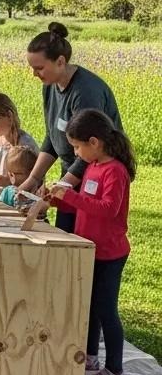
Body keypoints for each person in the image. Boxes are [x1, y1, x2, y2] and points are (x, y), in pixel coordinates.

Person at [46, 109, 134, 375]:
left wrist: (71, 195)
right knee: (91, 307)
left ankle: (115, 371)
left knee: (107, 309)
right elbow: (85, 202)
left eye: (77, 147)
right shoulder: (93, 167)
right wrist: (59, 200)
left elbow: (108, 210)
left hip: (110, 253)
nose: (76, 152)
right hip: (89, 248)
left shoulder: (115, 171)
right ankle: (91, 357)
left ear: (94, 142)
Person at [18, 23, 123, 233]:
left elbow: (89, 150)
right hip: (72, 171)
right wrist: (33, 179)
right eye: (32, 68)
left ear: (60, 61)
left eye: (39, 68)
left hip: (95, 174)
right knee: (64, 232)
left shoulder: (85, 92)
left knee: (82, 237)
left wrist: (58, 188)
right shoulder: (49, 86)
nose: (34, 74)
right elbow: (52, 137)